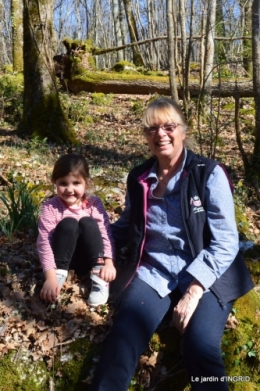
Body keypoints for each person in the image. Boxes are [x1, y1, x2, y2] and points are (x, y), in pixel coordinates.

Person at [90, 98, 253, 390]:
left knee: (199, 348)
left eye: (169, 126)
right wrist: (99, 248)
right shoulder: (139, 177)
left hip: (207, 275)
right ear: (145, 136)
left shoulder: (208, 173)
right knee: (121, 342)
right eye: (152, 128)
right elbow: (126, 225)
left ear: (183, 130)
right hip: (155, 272)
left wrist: (193, 290)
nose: (160, 134)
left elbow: (226, 240)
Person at [37, 154, 116, 306]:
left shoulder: (93, 203)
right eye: (63, 183)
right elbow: (44, 243)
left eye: (76, 183)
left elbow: (105, 233)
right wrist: (50, 277)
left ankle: (99, 277)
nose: (69, 189)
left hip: (90, 258)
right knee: (69, 223)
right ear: (54, 182)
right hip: (62, 260)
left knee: (87, 222)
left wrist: (109, 263)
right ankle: (59, 276)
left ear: (86, 183)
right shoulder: (51, 207)